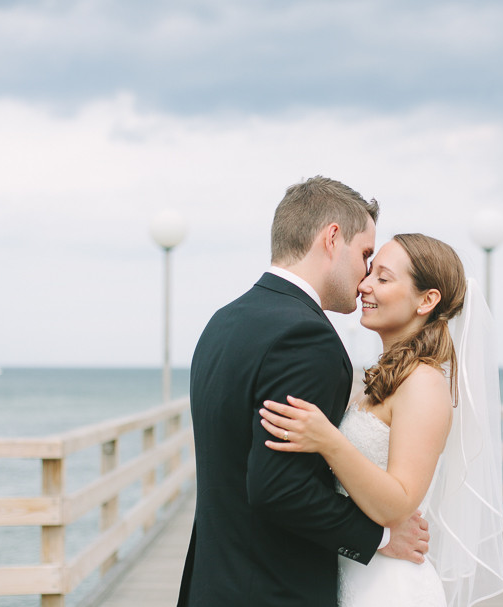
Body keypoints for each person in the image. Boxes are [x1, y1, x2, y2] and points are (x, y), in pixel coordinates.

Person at [177, 177, 430, 607]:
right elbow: (280, 488)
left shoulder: (223, 322)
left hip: (211, 584)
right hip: (274, 592)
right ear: (332, 238)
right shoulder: (307, 338)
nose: (365, 276)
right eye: (366, 254)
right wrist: (380, 537)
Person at [259, 233, 503, 607]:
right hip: (357, 573)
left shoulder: (424, 382)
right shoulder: (385, 378)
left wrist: (327, 440)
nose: (363, 286)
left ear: (427, 300)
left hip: (391, 589)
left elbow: (400, 503)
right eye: (369, 272)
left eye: (383, 278)